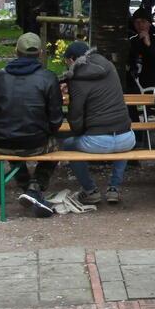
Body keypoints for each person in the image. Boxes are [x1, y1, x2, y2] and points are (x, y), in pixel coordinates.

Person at [0, 32, 63, 215]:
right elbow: (56, 119)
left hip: (2, 142)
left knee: (10, 139)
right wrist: (47, 130)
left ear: (16, 51)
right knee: (58, 144)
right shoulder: (48, 77)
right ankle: (35, 187)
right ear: (40, 53)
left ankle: (25, 184)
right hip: (36, 142)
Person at [60, 40, 135, 205]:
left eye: (66, 62)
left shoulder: (76, 80)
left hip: (98, 141)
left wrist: (81, 131)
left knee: (68, 145)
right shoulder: (109, 67)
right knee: (121, 140)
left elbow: (76, 118)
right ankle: (114, 188)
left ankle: (90, 190)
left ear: (72, 60)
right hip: (127, 139)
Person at [128, 10, 155, 91]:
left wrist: (149, 45)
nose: (140, 25)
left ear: (149, 23)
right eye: (137, 22)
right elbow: (130, 62)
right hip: (137, 83)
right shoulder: (132, 40)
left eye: (143, 21)